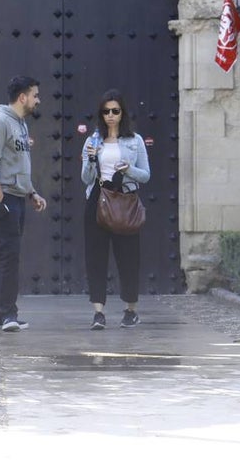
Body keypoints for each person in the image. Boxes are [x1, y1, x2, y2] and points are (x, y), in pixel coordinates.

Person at [0, 75, 47, 332]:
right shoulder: (0, 121)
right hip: (0, 198)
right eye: (35, 95)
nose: (38, 100)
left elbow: (17, 165)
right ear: (23, 97)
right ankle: (9, 315)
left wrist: (32, 193)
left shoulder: (21, 125)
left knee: (3, 256)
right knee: (9, 258)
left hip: (15, 197)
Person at [80, 89, 151, 330]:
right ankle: (98, 312)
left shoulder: (135, 141)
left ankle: (130, 310)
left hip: (125, 200)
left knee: (128, 258)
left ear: (122, 113)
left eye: (115, 111)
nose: (110, 115)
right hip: (98, 200)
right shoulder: (92, 140)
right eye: (106, 111)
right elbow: (85, 178)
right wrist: (91, 160)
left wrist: (128, 169)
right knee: (95, 257)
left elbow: (146, 175)